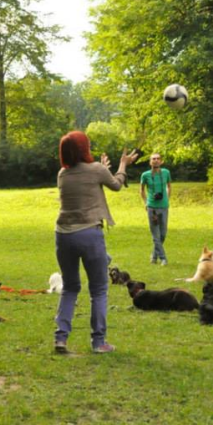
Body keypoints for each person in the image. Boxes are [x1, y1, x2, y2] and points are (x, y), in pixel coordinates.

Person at [53, 131, 138, 355]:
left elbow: (88, 180)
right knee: (99, 290)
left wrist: (102, 169)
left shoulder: (63, 174)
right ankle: (98, 342)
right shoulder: (97, 171)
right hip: (89, 233)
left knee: (70, 288)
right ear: (84, 148)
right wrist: (122, 165)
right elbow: (116, 185)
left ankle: (60, 339)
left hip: (63, 235)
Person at [140, 153, 172, 266]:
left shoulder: (166, 173)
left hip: (164, 206)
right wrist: (145, 203)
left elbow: (169, 186)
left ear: (161, 161)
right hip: (152, 207)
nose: (156, 160)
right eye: (153, 159)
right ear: (150, 162)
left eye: (158, 159)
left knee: (163, 234)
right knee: (156, 235)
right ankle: (163, 258)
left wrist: (167, 199)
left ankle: (154, 256)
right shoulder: (145, 175)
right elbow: (142, 190)